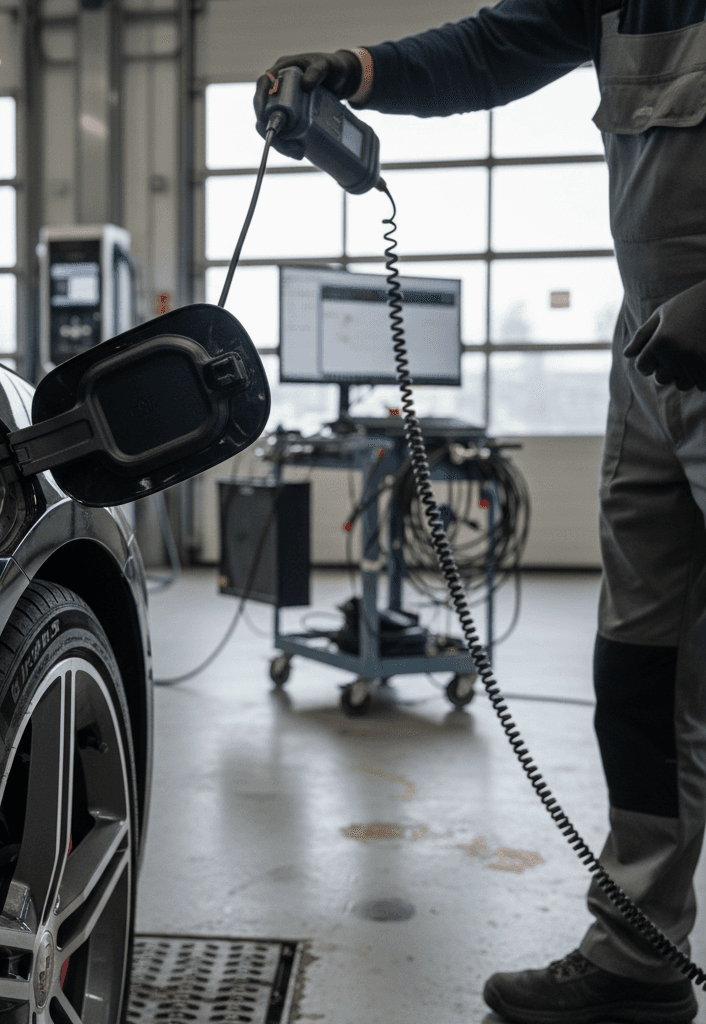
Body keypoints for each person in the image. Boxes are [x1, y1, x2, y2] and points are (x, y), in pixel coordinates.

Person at [257, 3, 706, 1023]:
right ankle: (639, 951)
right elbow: (498, 45)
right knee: (636, 661)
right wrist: (358, 70)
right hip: (650, 364)